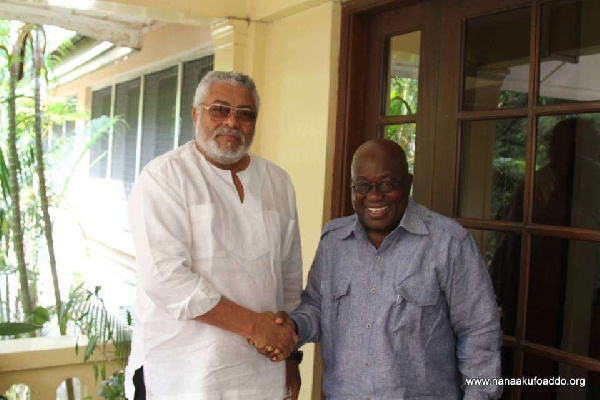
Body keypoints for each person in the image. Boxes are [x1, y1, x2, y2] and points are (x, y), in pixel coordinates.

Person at [264, 139, 502, 398]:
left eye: (387, 184)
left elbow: (480, 334)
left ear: (408, 184)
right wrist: (293, 327)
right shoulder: (334, 241)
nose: (374, 196)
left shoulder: (448, 244)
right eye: (362, 186)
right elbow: (316, 308)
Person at [124, 71, 303, 399]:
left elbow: (289, 280)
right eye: (220, 109)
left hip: (262, 377)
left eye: (245, 114)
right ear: (196, 114)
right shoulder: (164, 178)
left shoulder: (279, 182)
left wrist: (290, 356)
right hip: (183, 376)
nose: (232, 122)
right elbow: (165, 279)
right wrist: (254, 326)